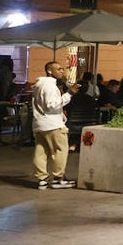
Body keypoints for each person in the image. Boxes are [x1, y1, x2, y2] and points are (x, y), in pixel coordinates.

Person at [31, 60, 79, 189]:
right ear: (49, 70)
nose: (62, 71)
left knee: (41, 151)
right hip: (52, 124)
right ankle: (58, 178)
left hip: (40, 123)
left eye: (62, 69)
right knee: (61, 150)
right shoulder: (50, 86)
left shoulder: (39, 84)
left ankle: (42, 179)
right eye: (58, 69)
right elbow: (51, 105)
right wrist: (69, 94)